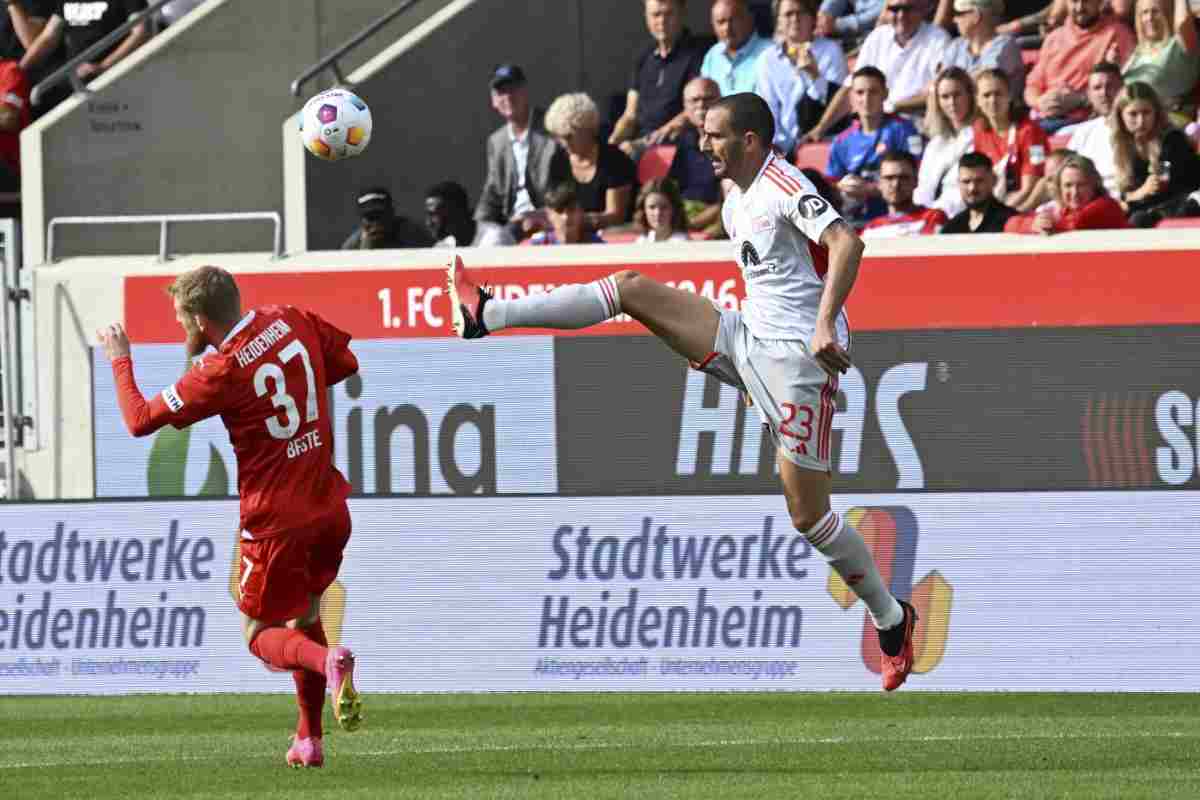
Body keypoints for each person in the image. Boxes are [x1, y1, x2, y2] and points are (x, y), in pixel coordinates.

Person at [446, 92, 920, 691]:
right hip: (751, 340)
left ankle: (891, 618)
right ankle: (488, 313)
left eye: (715, 135)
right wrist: (746, 370)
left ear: (749, 139)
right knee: (631, 287)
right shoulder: (735, 198)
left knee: (808, 515)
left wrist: (826, 323)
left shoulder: (781, 182)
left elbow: (848, 243)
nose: (703, 145)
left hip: (800, 363)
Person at [95, 266, 363, 768]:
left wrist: (119, 359)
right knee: (304, 614)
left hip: (275, 521)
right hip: (329, 504)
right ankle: (309, 739)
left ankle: (328, 662)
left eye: (181, 320)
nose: (182, 330)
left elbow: (138, 420)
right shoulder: (289, 317)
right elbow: (345, 360)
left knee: (260, 635)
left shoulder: (219, 370)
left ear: (199, 318)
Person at [807, 0, 950, 141]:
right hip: (872, 127)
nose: (901, 15)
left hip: (916, 129)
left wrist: (893, 107)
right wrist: (821, 128)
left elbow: (937, 93)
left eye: (908, 9)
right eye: (895, 9)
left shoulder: (938, 39)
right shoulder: (877, 37)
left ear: (922, 9)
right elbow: (850, 89)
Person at [475, 64, 570, 239]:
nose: (508, 97)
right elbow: (492, 192)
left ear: (525, 92)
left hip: (550, 217)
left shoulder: (551, 127)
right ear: (494, 101)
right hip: (511, 223)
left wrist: (545, 213)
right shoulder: (496, 141)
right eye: (501, 93)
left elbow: (568, 184)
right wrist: (479, 225)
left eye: (513, 90)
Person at [610, 0, 707, 158]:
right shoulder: (643, 57)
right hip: (640, 143)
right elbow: (630, 115)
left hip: (677, 145)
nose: (661, 21)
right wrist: (611, 144)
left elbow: (691, 112)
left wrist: (643, 144)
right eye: (656, 15)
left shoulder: (698, 55)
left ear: (682, 14)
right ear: (646, 17)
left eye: (668, 14)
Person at [826, 66, 922, 225]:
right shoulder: (841, 141)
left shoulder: (904, 130)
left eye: (873, 91)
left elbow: (918, 175)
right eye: (860, 92)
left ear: (885, 94)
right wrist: (842, 188)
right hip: (852, 222)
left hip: (899, 219)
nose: (866, 98)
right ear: (851, 97)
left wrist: (870, 189)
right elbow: (830, 184)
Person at [1023, 0, 1135, 132]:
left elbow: (1124, 88)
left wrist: (1080, 99)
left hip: (1084, 121)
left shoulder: (1118, 34)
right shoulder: (1054, 38)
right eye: (1074, 1)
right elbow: (1032, 86)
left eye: (1086, 1)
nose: (1080, 7)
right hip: (1042, 118)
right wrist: (1040, 101)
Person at [755, 0, 848, 154]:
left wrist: (815, 76)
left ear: (813, 17)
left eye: (801, 12)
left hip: (823, 143)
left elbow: (837, 105)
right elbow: (767, 109)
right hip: (780, 149)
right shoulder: (766, 59)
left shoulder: (831, 51)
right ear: (778, 21)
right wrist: (776, 147)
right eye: (788, 14)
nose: (795, 18)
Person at [1110, 80, 1200, 226]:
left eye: (1146, 113)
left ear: (1156, 113)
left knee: (1138, 219)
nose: (1141, 121)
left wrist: (1139, 195)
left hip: (1182, 203)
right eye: (1133, 114)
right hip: (1147, 207)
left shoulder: (1171, 140)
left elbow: (1179, 186)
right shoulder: (1123, 145)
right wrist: (1141, 193)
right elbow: (1127, 193)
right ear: (1121, 116)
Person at [545, 92, 636, 232]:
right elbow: (554, 207)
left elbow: (616, 216)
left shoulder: (615, 161)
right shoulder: (558, 161)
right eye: (559, 137)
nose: (563, 143)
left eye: (569, 136)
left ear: (588, 130)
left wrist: (574, 221)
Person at [974, 68, 1050, 211]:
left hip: (1026, 205)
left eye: (998, 93)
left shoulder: (1031, 132)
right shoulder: (979, 131)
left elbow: (1030, 187)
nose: (993, 100)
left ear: (1009, 96)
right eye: (986, 95)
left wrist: (997, 213)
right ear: (977, 100)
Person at [20, 0, 148, 85]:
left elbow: (140, 33)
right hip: (77, 81)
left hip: (116, 77)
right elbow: (48, 38)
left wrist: (103, 66)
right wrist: (19, 68)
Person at [1116, 0, 1199, 128]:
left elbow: (1183, 23)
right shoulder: (1137, 52)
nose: (1149, 18)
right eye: (1144, 12)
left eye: (1156, 12)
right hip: (1131, 122)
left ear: (1168, 13)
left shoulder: (1179, 45)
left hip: (1169, 121)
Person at [1004, 152, 1130, 232]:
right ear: (1059, 187)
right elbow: (1010, 224)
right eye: (1068, 185)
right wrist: (1032, 224)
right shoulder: (1062, 210)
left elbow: (1074, 223)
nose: (1074, 192)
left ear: (1094, 185)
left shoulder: (1106, 205)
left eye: (1082, 185)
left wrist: (1045, 224)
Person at [915, 67, 977, 217]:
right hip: (929, 217)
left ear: (970, 95)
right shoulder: (935, 143)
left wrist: (936, 213)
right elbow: (923, 188)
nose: (952, 102)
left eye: (957, 95)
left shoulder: (979, 135)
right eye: (945, 96)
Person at [669, 77, 726, 235]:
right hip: (681, 220)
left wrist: (692, 223)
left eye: (708, 99)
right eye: (694, 100)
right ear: (685, 107)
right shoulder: (683, 141)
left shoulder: (732, 141)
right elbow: (671, 190)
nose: (701, 105)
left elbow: (734, 196)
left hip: (719, 223)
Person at [935, 0, 1025, 101]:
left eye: (959, 14)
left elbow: (982, 85)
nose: (954, 19)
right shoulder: (956, 45)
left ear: (976, 16)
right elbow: (939, 84)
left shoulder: (1005, 45)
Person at [1063, 62, 1124, 194]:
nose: (1104, 93)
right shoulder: (1083, 132)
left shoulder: (1138, 128)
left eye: (1110, 86)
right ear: (1089, 94)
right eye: (1097, 88)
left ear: (1123, 90)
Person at [861, 150, 949, 235]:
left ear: (916, 181)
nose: (896, 184)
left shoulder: (934, 217)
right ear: (879, 184)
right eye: (889, 178)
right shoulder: (870, 229)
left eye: (903, 178)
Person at [702, 0, 773, 96]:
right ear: (713, 25)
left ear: (750, 19)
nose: (727, 28)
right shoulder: (713, 54)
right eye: (720, 22)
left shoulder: (771, 52)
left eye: (733, 20)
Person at [941, 151, 1019, 231]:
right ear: (958, 183)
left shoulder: (1010, 222)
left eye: (979, 181)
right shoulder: (952, 228)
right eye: (966, 182)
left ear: (994, 180)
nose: (972, 188)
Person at [425, 181, 515, 248]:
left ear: (457, 212)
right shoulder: (443, 247)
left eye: (434, 214)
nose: (429, 223)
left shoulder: (494, 238)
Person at [341, 187, 435, 250]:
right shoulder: (352, 246)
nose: (376, 223)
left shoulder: (414, 234)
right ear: (362, 220)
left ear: (392, 213)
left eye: (381, 215)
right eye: (370, 217)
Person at [527, 182, 605, 245]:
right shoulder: (537, 246)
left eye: (571, 210)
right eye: (559, 211)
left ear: (581, 212)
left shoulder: (597, 246)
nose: (566, 217)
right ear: (549, 215)